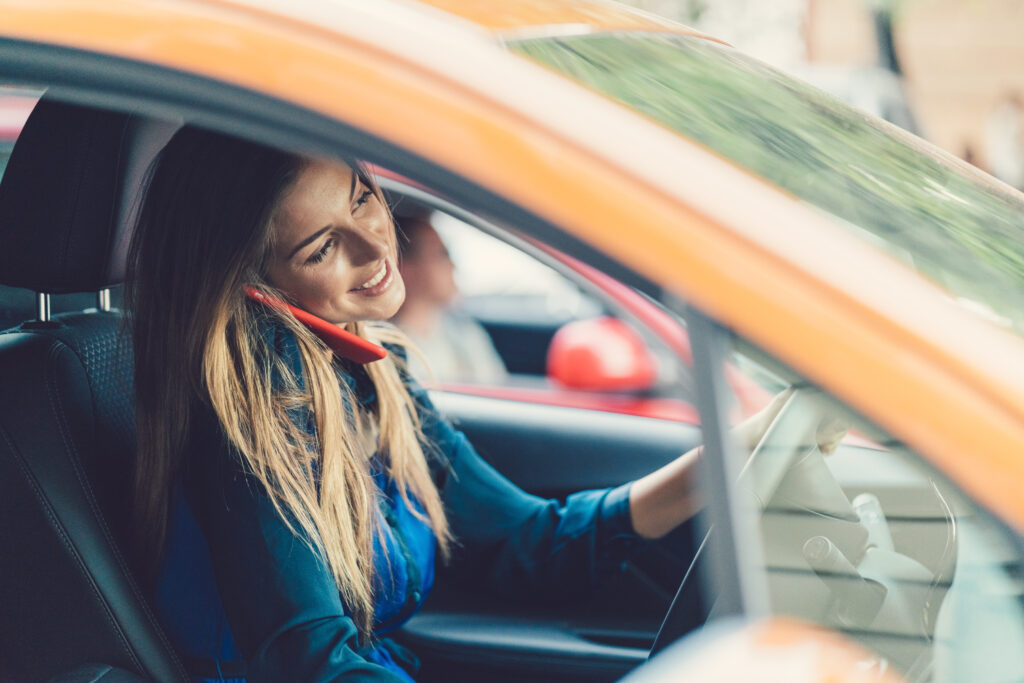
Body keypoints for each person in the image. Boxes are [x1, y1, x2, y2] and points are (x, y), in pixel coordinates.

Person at [127, 126, 795, 682]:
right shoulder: (251, 420)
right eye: (324, 246)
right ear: (253, 286)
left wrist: (730, 457)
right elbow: (314, 665)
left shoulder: (367, 378)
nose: (376, 247)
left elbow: (526, 543)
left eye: (362, 200)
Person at [391, 206, 507, 384]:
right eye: (443, 255)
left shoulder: (466, 333)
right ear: (406, 268)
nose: (454, 267)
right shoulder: (386, 347)